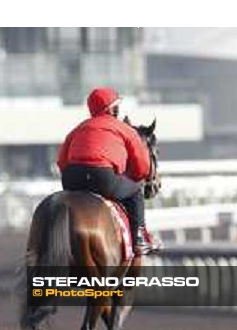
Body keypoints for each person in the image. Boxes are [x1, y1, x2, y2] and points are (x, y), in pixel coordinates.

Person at [57, 87, 161, 256]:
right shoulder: (124, 129)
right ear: (113, 109)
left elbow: (61, 161)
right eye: (117, 107)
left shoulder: (78, 129)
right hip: (102, 177)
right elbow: (143, 167)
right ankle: (140, 239)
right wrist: (134, 179)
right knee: (136, 190)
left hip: (71, 179)